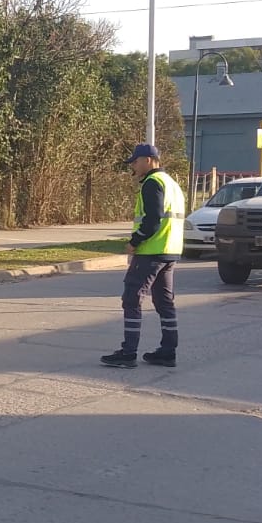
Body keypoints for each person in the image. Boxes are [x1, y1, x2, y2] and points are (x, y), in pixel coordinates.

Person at [102, 143, 185, 368]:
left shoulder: (152, 183)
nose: (134, 166)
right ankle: (168, 351)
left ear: (148, 160)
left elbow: (152, 219)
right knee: (165, 301)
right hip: (170, 250)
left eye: (135, 161)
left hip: (151, 251)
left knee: (132, 298)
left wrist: (134, 241)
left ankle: (128, 353)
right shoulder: (172, 183)